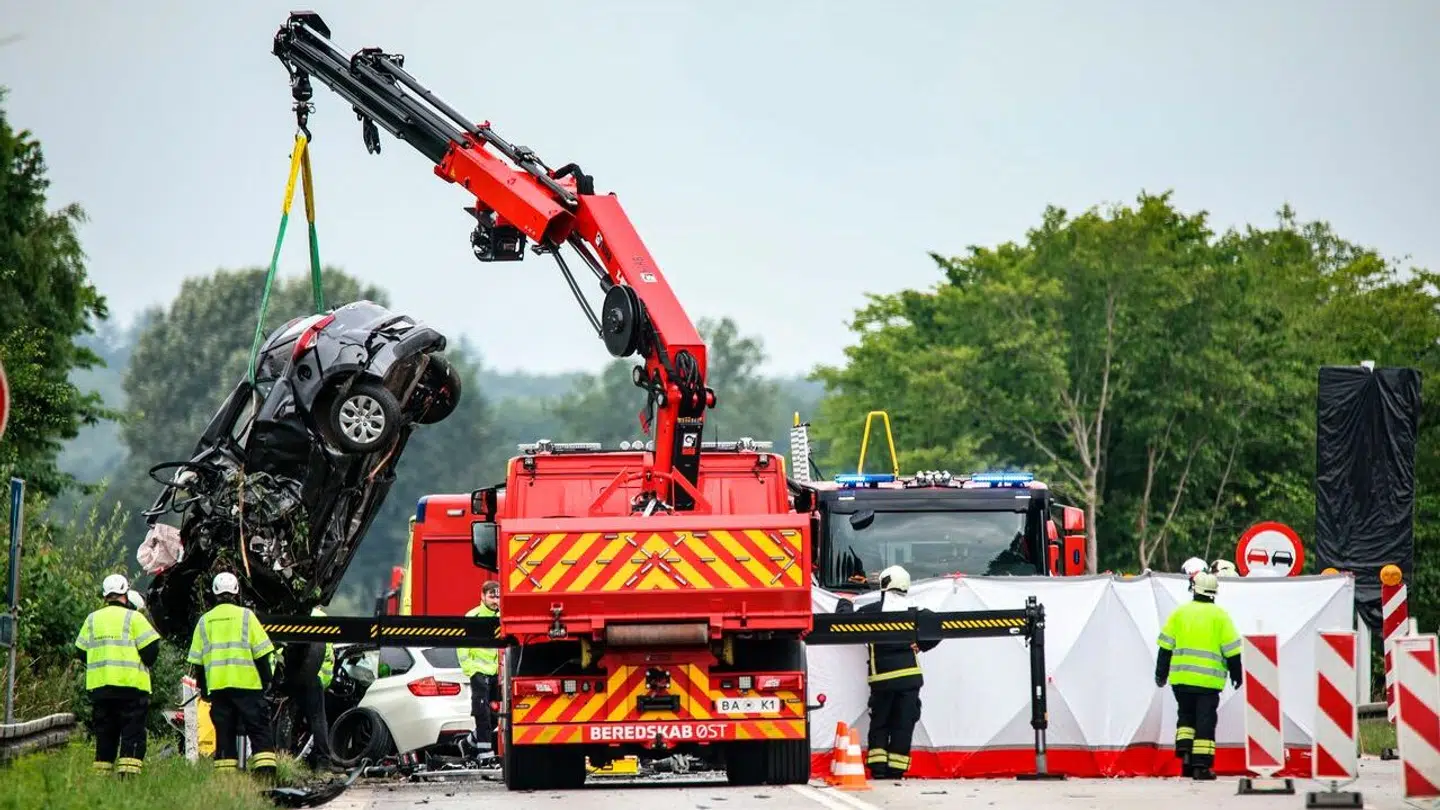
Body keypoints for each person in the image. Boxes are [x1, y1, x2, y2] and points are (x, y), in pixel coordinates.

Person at [187, 571, 278, 778]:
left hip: (219, 689)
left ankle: (226, 781)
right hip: (249, 687)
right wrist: (266, 680)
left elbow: (199, 664)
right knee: (259, 730)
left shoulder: (205, 621)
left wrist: (205, 689)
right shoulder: (247, 617)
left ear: (215, 593)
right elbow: (263, 654)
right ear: (236, 593)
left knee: (224, 734)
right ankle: (265, 777)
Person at [853, 565, 938, 780]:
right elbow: (937, 627)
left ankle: (878, 769)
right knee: (903, 724)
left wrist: (845, 602)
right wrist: (921, 645)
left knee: (880, 722)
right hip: (910, 678)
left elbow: (845, 620)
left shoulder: (870, 612)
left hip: (882, 679)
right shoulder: (915, 611)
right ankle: (896, 770)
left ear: (884, 584)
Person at [1155, 571, 1242, 780]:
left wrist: (1161, 674)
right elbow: (1232, 651)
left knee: (1185, 717)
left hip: (1181, 681)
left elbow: (1165, 648)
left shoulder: (1179, 613)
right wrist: (1237, 675)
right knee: (1205, 721)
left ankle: (1185, 757)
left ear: (1194, 589)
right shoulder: (1220, 616)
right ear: (1213, 593)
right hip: (1207, 683)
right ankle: (1201, 767)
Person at [74, 573, 161, 778]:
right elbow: (151, 650)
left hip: (101, 689)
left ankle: (102, 778)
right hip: (132, 689)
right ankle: (128, 779)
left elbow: (80, 650)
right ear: (125, 593)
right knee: (132, 735)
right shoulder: (134, 618)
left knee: (105, 736)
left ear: (105, 596)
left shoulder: (92, 619)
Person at [457, 581, 501, 763]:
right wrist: (471, 671)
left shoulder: (502, 617)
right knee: (482, 714)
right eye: (492, 596)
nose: (495, 600)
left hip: (497, 674)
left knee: (497, 716)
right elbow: (462, 647)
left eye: (498, 596)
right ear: (482, 596)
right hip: (479, 674)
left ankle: (468, 743)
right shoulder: (472, 616)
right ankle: (485, 756)